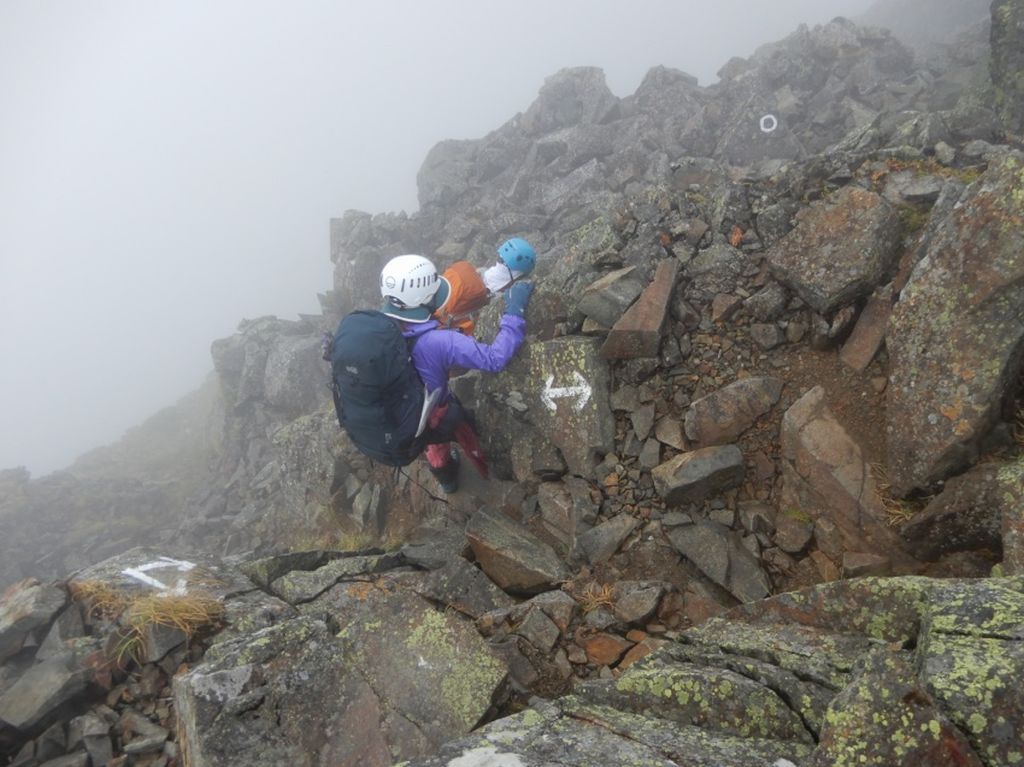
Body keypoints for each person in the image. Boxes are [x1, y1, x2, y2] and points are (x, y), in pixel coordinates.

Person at [379, 253, 533, 493]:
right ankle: (486, 474)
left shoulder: (381, 327)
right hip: (435, 411)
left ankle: (447, 481)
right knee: (457, 424)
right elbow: (494, 359)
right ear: (426, 300)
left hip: (401, 412)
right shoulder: (440, 342)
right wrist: (515, 311)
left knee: (433, 446)